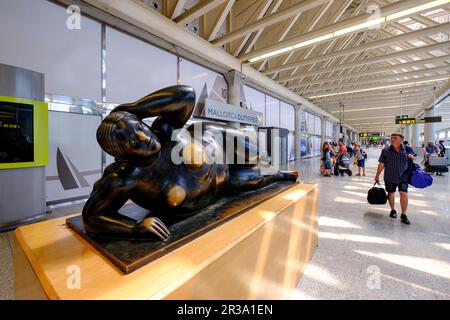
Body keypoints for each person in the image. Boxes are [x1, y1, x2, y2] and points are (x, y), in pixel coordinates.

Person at [375, 133, 417, 225]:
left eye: (395, 138)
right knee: (391, 193)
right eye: (391, 138)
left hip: (403, 177)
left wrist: (412, 157)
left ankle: (404, 214)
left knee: (404, 194)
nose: (392, 139)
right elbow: (381, 164)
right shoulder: (385, 151)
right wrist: (377, 175)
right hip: (389, 176)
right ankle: (393, 210)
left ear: (401, 140)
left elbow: (415, 157)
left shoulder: (407, 149)